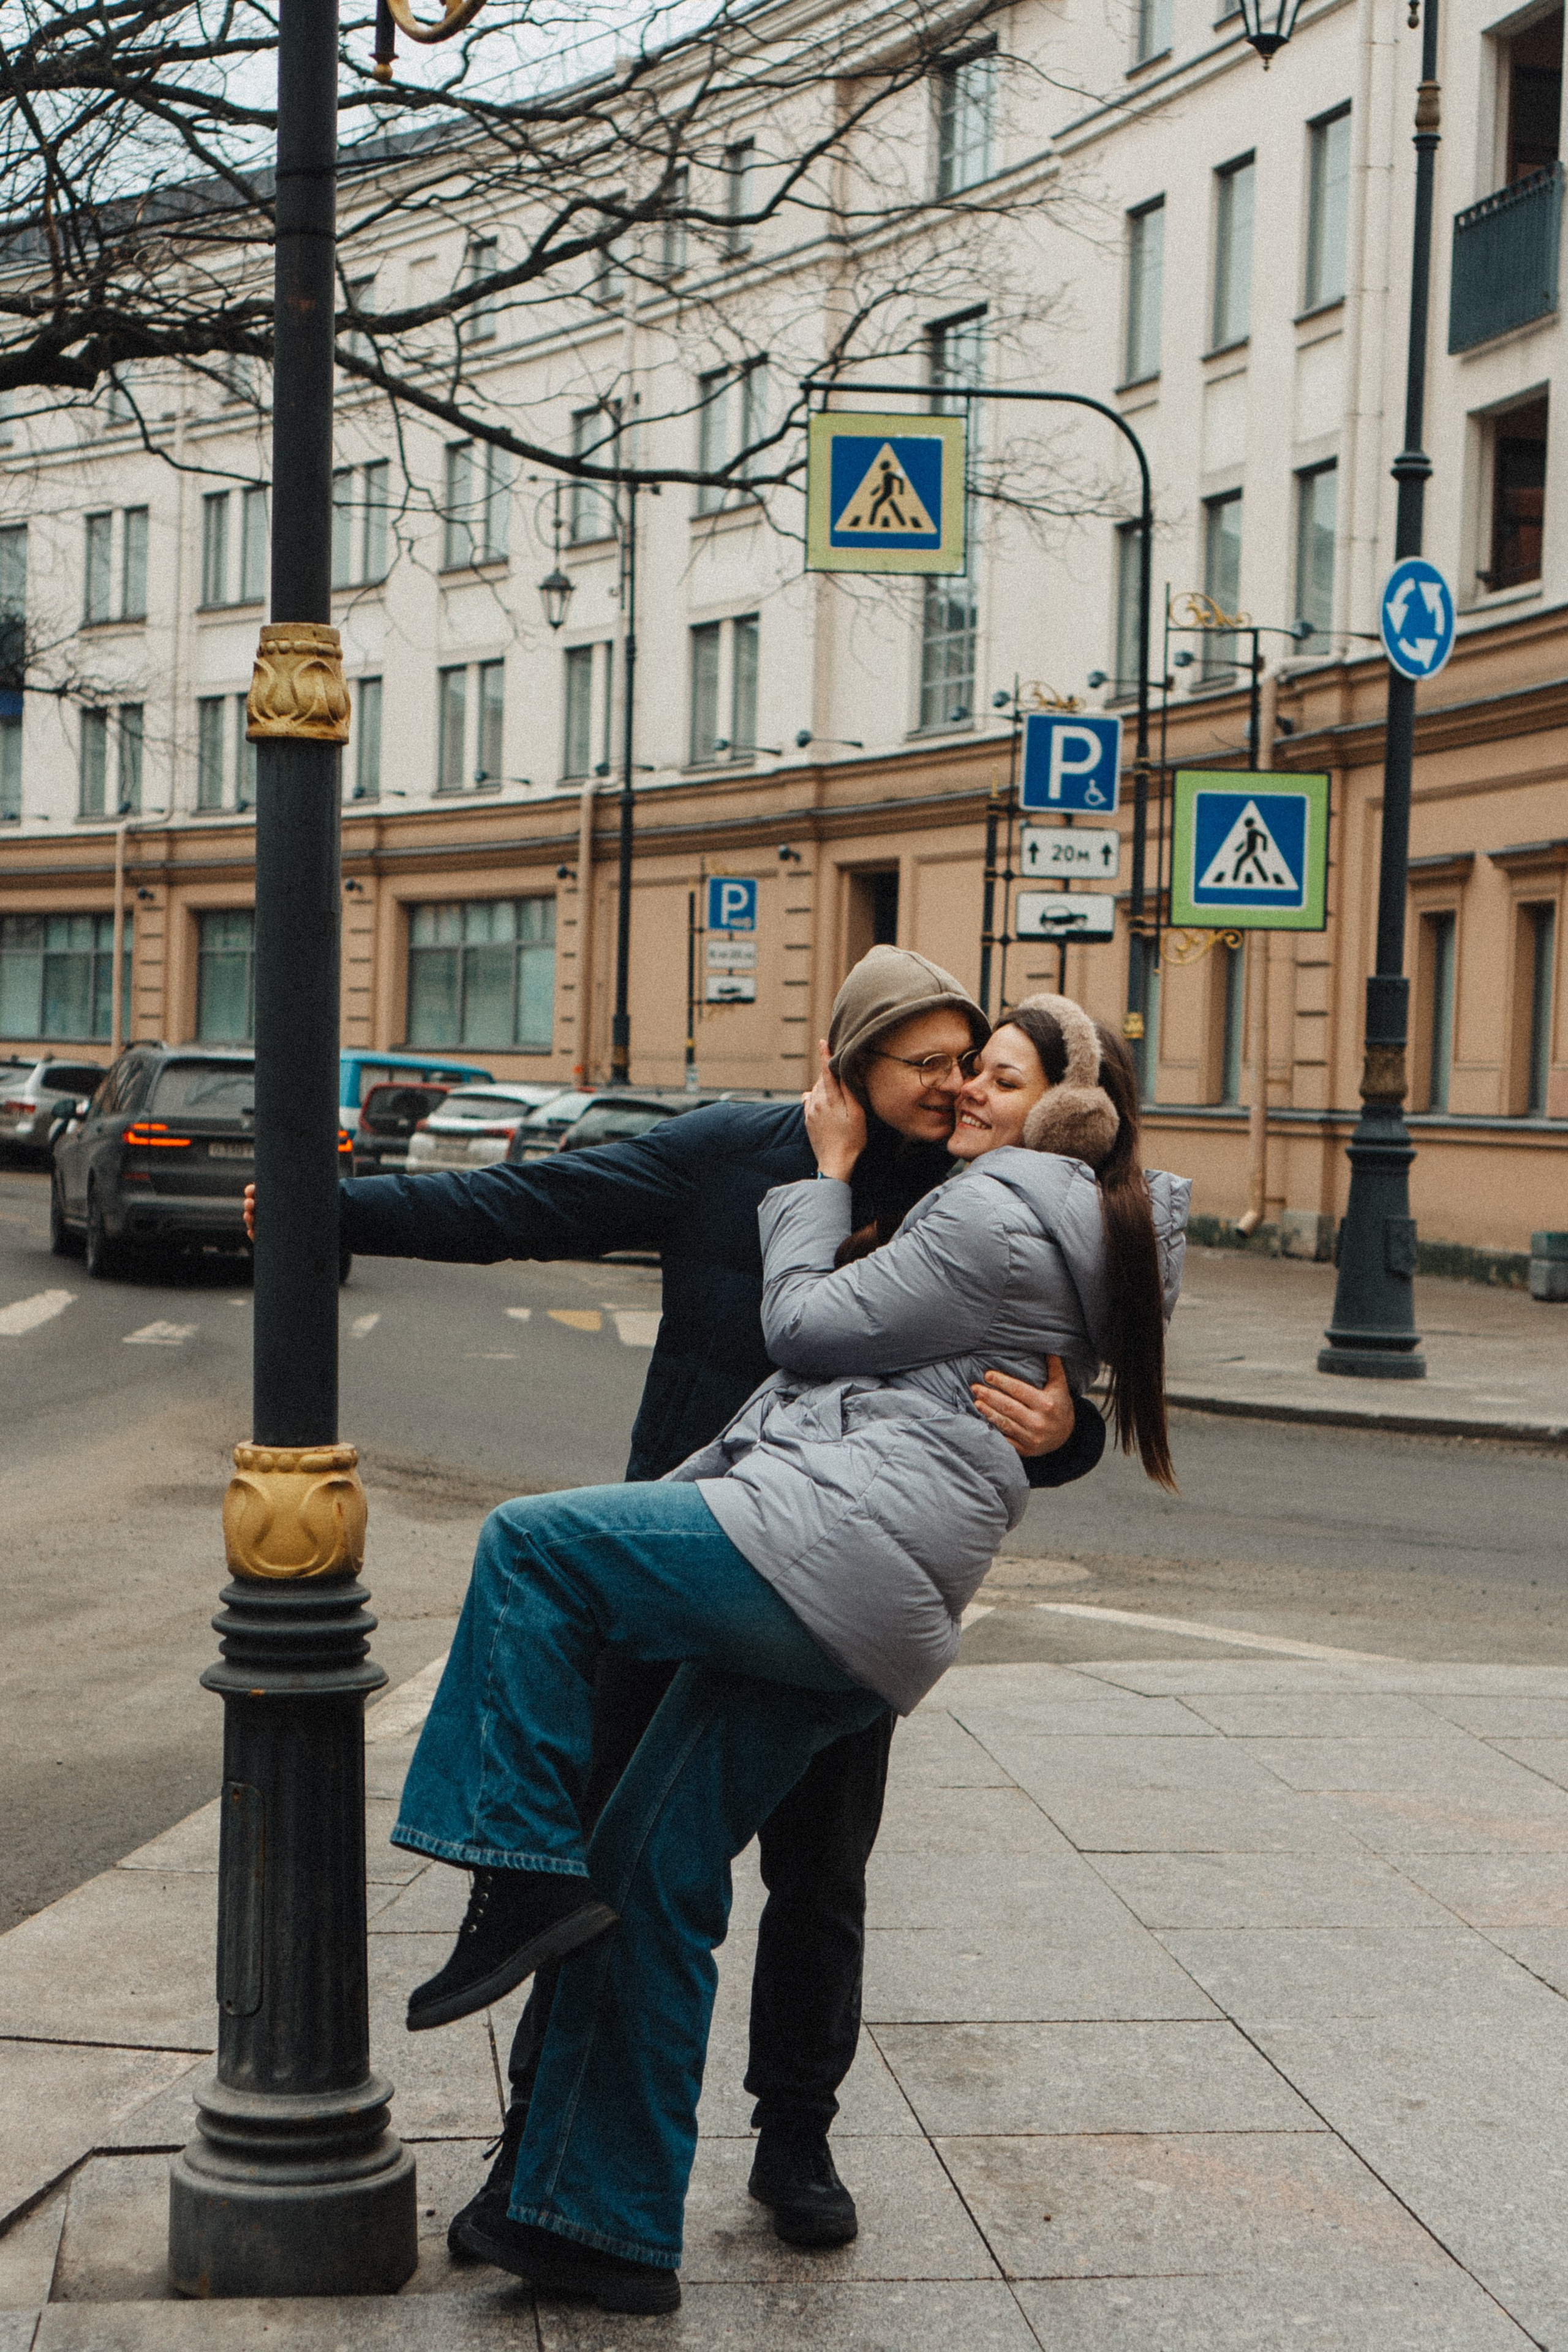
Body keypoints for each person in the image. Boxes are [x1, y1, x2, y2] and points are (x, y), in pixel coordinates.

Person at [243, 946, 1106, 2254]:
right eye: (919, 1062)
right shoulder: (726, 1154)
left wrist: (1067, 1429)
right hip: (672, 1550)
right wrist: (331, 1210)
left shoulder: (967, 1192)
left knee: (818, 1878)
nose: (946, 1086)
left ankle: (796, 2139)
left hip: (826, 1574)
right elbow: (520, 1206)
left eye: (961, 1061)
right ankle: (535, 2162)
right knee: (602, 1867)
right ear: (848, 1063)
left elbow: (1047, 1363)